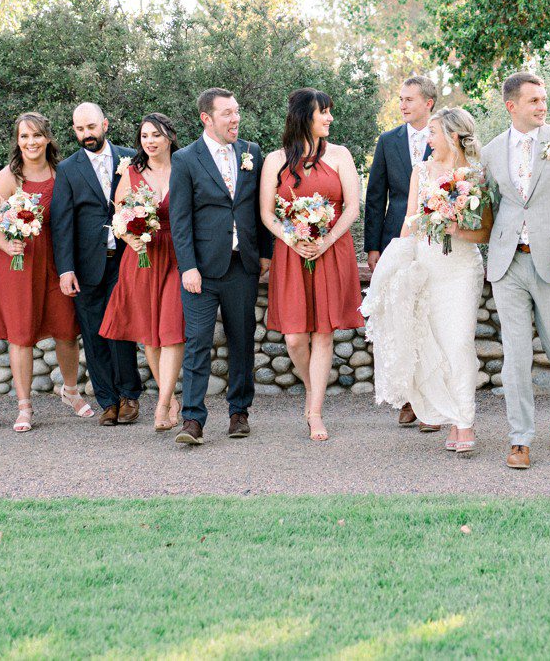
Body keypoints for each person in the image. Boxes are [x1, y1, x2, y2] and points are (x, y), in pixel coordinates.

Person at [482, 71, 550, 471]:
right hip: (507, 262)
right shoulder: (492, 150)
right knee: (515, 355)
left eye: (544, 99)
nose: (542, 106)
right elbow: (489, 205)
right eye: (533, 100)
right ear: (512, 106)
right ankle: (520, 439)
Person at [363, 107, 492, 455]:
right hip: (426, 266)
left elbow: (485, 232)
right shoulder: (422, 171)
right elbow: (409, 221)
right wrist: (399, 263)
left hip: (462, 269)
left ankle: (465, 421)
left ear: (452, 135)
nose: (428, 140)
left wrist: (457, 228)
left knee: (459, 343)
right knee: (431, 343)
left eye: (433, 133)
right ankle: (450, 414)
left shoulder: (476, 175)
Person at [261, 88, 365, 443]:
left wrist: (325, 240)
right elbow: (266, 213)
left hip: (332, 251)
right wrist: (293, 240)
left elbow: (352, 207)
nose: (330, 118)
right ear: (305, 116)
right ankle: (312, 388)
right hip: (292, 255)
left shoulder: (340, 155)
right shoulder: (276, 160)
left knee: (323, 333)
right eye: (324, 112)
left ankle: (315, 412)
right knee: (293, 338)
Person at [170, 88, 272, 446]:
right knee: (197, 343)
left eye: (237, 112)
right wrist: (188, 267)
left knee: (242, 341)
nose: (235, 119)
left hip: (241, 265)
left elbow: (260, 207)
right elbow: (179, 219)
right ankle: (193, 420)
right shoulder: (185, 159)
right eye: (227, 113)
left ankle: (239, 412)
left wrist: (265, 254)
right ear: (206, 119)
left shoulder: (251, 152)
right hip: (201, 270)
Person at [0, 113, 86, 432]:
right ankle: (24, 406)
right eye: (25, 136)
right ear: (17, 141)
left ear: (48, 139)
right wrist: (7, 245)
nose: (31, 142)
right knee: (22, 335)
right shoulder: (8, 177)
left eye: (37, 135)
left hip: (55, 262)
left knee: (67, 330)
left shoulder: (62, 173)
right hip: (18, 265)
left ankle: (71, 391)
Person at [51, 103, 140, 427]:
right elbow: (61, 223)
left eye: (91, 127)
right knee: (93, 332)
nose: (86, 134)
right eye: (79, 129)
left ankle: (130, 396)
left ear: (104, 124)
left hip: (126, 259)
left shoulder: (131, 158)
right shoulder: (68, 168)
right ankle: (108, 401)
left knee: (123, 329)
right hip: (87, 264)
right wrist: (66, 269)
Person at [99, 113, 185, 431]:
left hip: (176, 254)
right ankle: (171, 400)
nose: (149, 141)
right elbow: (119, 215)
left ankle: (162, 404)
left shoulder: (184, 167)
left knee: (172, 328)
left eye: (156, 135)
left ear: (169, 138)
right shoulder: (133, 172)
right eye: (145, 135)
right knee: (150, 333)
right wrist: (129, 237)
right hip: (142, 256)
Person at [364, 74, 438, 431]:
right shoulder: (387, 140)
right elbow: (375, 195)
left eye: (410, 99)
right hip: (398, 238)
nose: (403, 105)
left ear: (429, 103)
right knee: (402, 317)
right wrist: (374, 246)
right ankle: (409, 400)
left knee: (431, 317)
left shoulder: (446, 138)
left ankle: (432, 401)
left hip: (438, 239)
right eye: (401, 99)